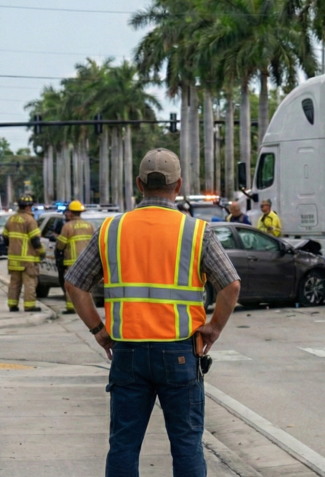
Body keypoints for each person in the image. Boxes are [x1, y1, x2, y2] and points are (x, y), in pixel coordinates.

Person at [65, 148, 240, 477]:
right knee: (186, 444)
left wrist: (98, 331)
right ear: (178, 186)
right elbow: (231, 286)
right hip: (179, 353)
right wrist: (213, 328)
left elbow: (74, 284)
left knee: (124, 445)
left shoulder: (110, 230)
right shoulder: (196, 231)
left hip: (127, 352)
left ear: (139, 184)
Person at [2, 195, 45, 312]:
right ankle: (29, 305)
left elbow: (5, 237)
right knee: (30, 283)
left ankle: (12, 305)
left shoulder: (11, 219)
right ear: (27, 207)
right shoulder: (30, 220)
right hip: (27, 259)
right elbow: (35, 240)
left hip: (13, 258)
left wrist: (11, 247)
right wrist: (41, 252)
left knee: (14, 283)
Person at [55, 200, 94, 314]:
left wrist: (59, 249)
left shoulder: (67, 226)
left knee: (71, 285)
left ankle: (71, 307)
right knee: (86, 286)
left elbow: (61, 245)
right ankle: (87, 308)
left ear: (71, 212)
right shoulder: (89, 226)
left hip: (72, 261)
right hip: (86, 262)